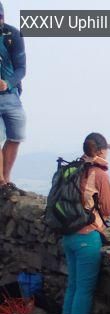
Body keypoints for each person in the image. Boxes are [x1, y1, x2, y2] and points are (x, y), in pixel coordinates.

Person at [60, 133, 110, 314]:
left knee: (73, 283)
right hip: (87, 236)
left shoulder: (74, 169)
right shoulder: (99, 174)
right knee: (85, 287)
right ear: (100, 151)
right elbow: (108, 209)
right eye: (106, 150)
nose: (107, 153)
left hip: (68, 234)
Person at [0, 3, 26, 189]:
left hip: (11, 95)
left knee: (16, 136)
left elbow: (21, 68)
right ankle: (1, 181)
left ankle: (6, 179)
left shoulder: (13, 35)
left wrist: (7, 83)